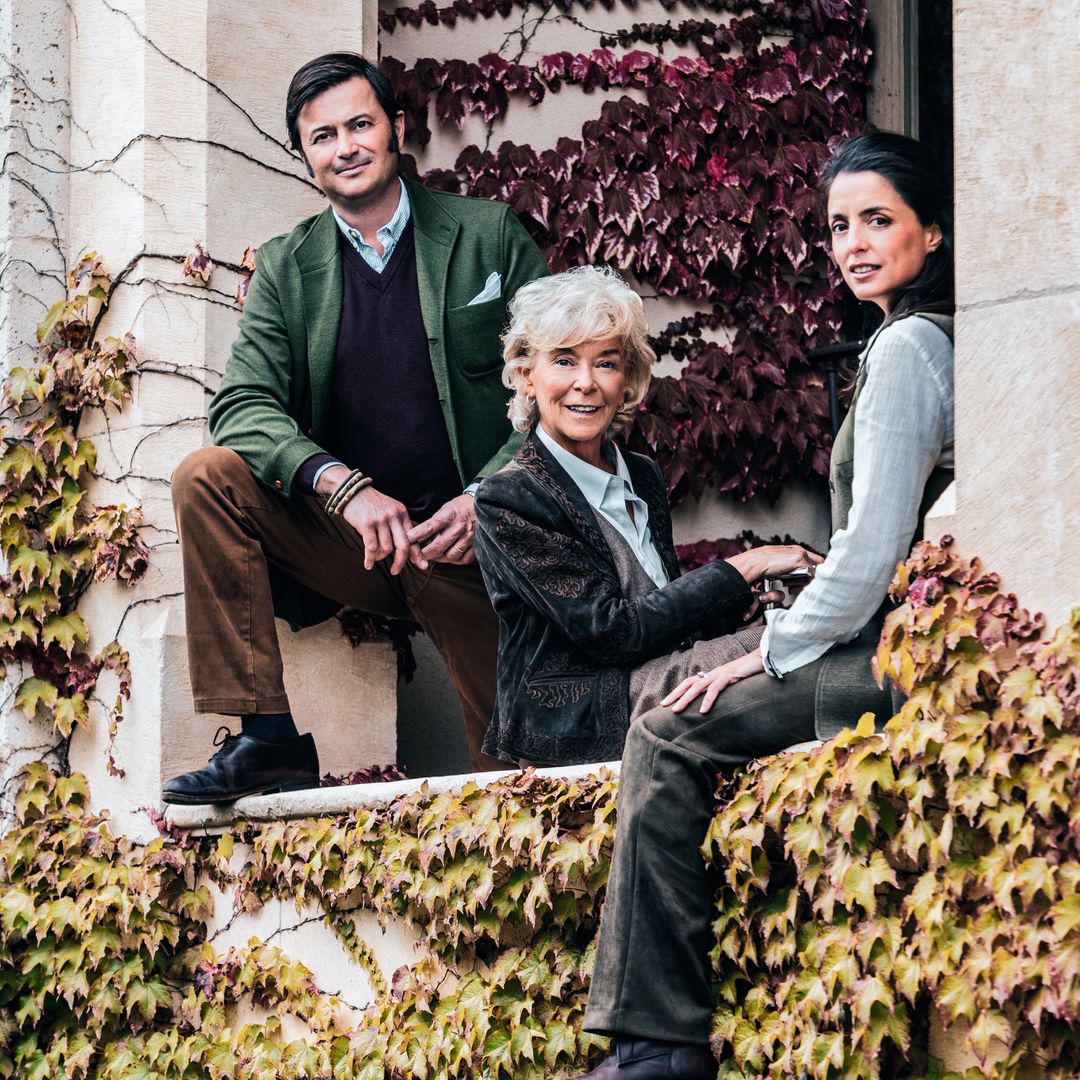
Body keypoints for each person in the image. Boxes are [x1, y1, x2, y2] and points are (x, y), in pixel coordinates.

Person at [578, 131, 955, 1078]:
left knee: (665, 734)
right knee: (675, 705)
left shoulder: (911, 347)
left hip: (888, 655)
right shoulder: (925, 339)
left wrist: (769, 650)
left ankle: (661, 1043)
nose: (854, 243)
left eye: (879, 220)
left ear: (934, 232)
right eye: (839, 226)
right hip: (894, 637)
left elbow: (870, 556)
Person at [161, 53, 549, 805]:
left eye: (360, 125)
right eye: (323, 136)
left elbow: (560, 385)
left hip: (474, 545)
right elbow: (241, 403)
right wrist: (343, 488)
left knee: (519, 776)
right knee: (206, 477)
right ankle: (266, 740)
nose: (345, 147)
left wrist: (489, 497)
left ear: (396, 128)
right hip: (357, 546)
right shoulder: (287, 267)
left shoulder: (488, 235)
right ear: (305, 156)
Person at [472, 267, 820, 767]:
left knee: (800, 628)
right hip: (590, 714)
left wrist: (732, 605)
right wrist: (744, 566)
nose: (586, 383)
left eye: (606, 363)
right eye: (564, 361)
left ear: (627, 379)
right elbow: (613, 632)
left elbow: (655, 605)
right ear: (528, 376)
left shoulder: (641, 473)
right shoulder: (508, 497)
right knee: (792, 641)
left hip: (658, 674)